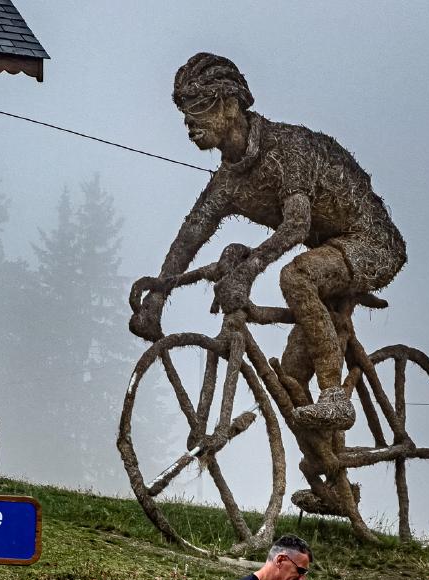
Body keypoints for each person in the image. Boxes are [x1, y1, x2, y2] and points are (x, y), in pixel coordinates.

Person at [130, 52, 407, 431]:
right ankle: (333, 482)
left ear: (230, 104)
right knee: (290, 377)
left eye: (200, 105)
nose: (189, 121)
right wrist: (158, 294)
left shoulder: (287, 150)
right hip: (328, 254)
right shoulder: (227, 181)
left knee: (297, 276)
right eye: (184, 109)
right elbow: (191, 233)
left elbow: (296, 225)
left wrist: (249, 269)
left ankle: (335, 397)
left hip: (370, 243)